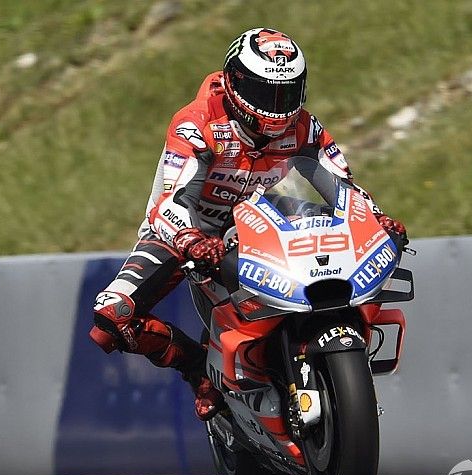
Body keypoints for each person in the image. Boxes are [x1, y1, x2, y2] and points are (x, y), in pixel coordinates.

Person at [89, 28, 407, 421]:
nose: (279, 108)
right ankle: (197, 370)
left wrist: (375, 219)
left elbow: (342, 186)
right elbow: (173, 199)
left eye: (288, 93)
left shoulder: (304, 127)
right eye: (266, 94)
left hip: (264, 217)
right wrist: (191, 239)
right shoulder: (197, 124)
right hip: (184, 227)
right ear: (234, 82)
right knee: (111, 316)